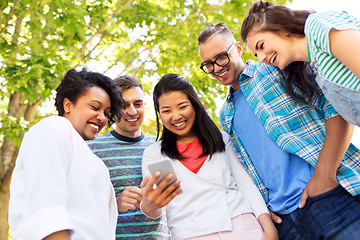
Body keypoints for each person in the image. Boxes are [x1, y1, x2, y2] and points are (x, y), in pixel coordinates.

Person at [198, 22, 360, 239]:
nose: (216, 68)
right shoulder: (225, 114)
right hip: (286, 223)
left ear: (237, 48)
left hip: (329, 198)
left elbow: (335, 106)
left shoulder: (276, 67)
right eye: (208, 64)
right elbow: (246, 169)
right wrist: (264, 211)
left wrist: (324, 175)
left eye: (221, 57)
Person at [140, 73, 277, 240]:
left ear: (195, 105)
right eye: (166, 111)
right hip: (191, 234)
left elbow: (244, 183)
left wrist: (269, 228)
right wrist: (149, 204)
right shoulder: (155, 153)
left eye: (182, 106)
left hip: (242, 225)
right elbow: (155, 208)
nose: (175, 116)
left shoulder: (221, 139)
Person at [8, 68, 123, 239]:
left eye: (106, 113)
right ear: (68, 105)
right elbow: (46, 205)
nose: (102, 118)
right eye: (95, 107)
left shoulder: (91, 158)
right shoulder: (54, 127)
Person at [240, 0, 360, 127]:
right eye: (256, 54)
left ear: (280, 27)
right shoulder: (317, 68)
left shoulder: (317, 27)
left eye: (261, 45)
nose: (261, 59)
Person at [87, 75, 171, 239]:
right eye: (124, 105)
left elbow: (174, 201)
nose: (132, 111)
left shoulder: (161, 146)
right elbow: (79, 206)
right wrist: (114, 204)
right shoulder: (92, 149)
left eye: (138, 104)